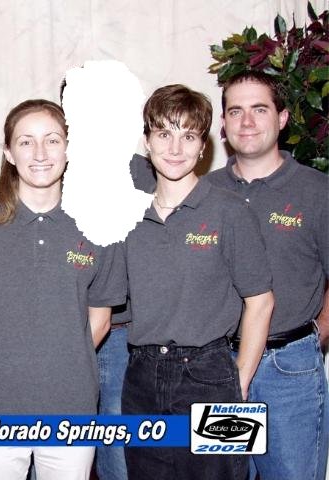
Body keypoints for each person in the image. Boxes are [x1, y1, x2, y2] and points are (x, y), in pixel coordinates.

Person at [0, 99, 126, 479]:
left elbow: (100, 317)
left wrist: (59, 360)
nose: (40, 153)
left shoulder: (100, 224)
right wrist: (5, 367)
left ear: (69, 149)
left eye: (52, 140)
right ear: (9, 153)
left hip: (72, 407)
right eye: (26, 142)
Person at [121, 84, 274, 480]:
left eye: (188, 136)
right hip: (140, 376)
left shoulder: (230, 211)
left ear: (203, 147)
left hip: (210, 374)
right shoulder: (126, 217)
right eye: (164, 134)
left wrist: (237, 379)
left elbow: (261, 300)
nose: (175, 148)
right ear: (147, 141)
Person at [214, 71, 329, 480]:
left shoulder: (318, 192)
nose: (246, 122)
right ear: (223, 124)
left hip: (289, 373)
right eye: (236, 111)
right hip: (218, 369)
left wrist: (315, 335)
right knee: (224, 475)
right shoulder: (203, 193)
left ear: (282, 118)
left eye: (259, 109)